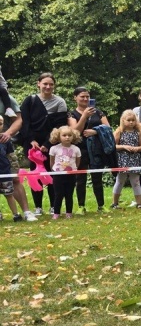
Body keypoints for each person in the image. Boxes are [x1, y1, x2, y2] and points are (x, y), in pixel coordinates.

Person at [20, 72, 69, 215]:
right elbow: (25, 123)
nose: (48, 87)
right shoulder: (29, 100)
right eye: (45, 84)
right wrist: (31, 140)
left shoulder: (60, 102)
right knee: (35, 175)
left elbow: (60, 125)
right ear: (38, 84)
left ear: (54, 86)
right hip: (32, 146)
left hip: (52, 144)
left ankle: (54, 206)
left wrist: (48, 143)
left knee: (52, 173)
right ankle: (38, 207)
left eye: (51, 84)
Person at [68, 87, 112, 213]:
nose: (85, 99)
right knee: (80, 179)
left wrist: (95, 131)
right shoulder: (71, 114)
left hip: (96, 149)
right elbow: (75, 131)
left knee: (97, 178)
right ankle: (81, 206)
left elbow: (108, 128)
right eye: (82, 96)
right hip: (80, 149)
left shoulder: (98, 112)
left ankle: (101, 205)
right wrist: (84, 116)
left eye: (87, 96)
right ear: (75, 98)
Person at [0, 96, 37, 221]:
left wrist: (8, 133)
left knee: (15, 179)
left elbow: (18, 119)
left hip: (4, 144)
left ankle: (26, 212)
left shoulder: (6, 98)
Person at [111, 110, 141, 209]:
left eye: (133, 120)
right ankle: (115, 203)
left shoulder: (138, 133)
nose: (131, 122)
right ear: (123, 121)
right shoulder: (119, 132)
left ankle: (139, 203)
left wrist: (136, 149)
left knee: (136, 181)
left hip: (134, 159)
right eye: (128, 120)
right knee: (120, 181)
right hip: (122, 160)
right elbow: (113, 146)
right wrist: (124, 147)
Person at [48, 126, 81, 220]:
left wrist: (73, 169)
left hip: (71, 175)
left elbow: (77, 162)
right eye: (64, 135)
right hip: (58, 175)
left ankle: (69, 212)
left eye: (69, 135)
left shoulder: (76, 149)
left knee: (69, 194)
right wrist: (54, 170)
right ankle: (56, 213)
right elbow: (52, 162)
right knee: (58, 194)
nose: (67, 137)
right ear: (58, 136)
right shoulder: (54, 148)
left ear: (73, 136)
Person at [0, 116, 22, 222]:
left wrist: (14, 171)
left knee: (9, 194)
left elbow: (11, 157)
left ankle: (16, 214)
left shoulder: (5, 140)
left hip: (5, 173)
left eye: (0, 123)